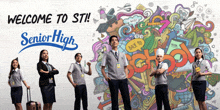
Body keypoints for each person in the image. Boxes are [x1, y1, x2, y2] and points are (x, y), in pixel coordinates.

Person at [101, 35, 131, 110]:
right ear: (110, 43)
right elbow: (102, 68)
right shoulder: (107, 55)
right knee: (114, 100)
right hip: (113, 80)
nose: (114, 41)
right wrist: (106, 77)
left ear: (118, 42)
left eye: (116, 40)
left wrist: (126, 76)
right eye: (112, 40)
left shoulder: (122, 54)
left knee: (126, 99)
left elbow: (125, 67)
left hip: (123, 79)